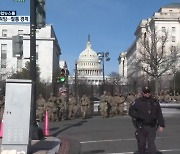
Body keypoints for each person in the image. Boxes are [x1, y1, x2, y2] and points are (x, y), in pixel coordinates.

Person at [129, 86, 165, 154]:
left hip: (152, 126)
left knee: (151, 145)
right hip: (141, 126)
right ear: (142, 93)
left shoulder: (154, 102)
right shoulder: (138, 102)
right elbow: (131, 111)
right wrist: (139, 116)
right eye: (145, 92)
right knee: (141, 144)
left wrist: (161, 125)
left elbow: (159, 113)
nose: (147, 93)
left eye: (148, 92)